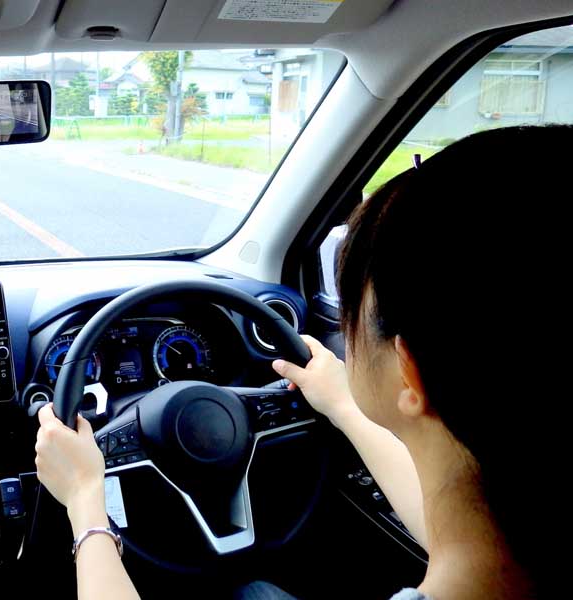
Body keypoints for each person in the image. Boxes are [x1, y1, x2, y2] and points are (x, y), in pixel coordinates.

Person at [35, 125, 561, 599]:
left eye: (354, 311)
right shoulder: (504, 535)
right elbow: (449, 523)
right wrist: (343, 406)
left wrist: (85, 499)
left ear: (410, 372)